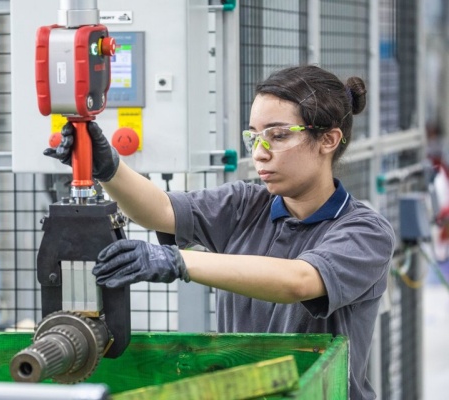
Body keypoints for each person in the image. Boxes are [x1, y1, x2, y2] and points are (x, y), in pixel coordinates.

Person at [45, 65, 396, 400]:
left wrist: (178, 261)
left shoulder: (364, 230)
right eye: (254, 137)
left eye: (278, 135)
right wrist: (109, 168)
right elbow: (160, 211)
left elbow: (299, 281)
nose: (260, 153)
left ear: (329, 140)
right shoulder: (245, 203)